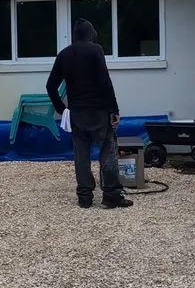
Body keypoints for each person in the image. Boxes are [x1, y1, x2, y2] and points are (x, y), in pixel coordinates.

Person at [46, 18, 133, 209]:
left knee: (81, 156)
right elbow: (105, 82)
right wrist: (114, 110)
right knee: (108, 151)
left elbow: (50, 86)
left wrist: (62, 109)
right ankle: (111, 195)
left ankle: (84, 197)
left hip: (77, 114)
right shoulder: (95, 50)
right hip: (99, 112)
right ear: (91, 34)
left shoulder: (64, 54)